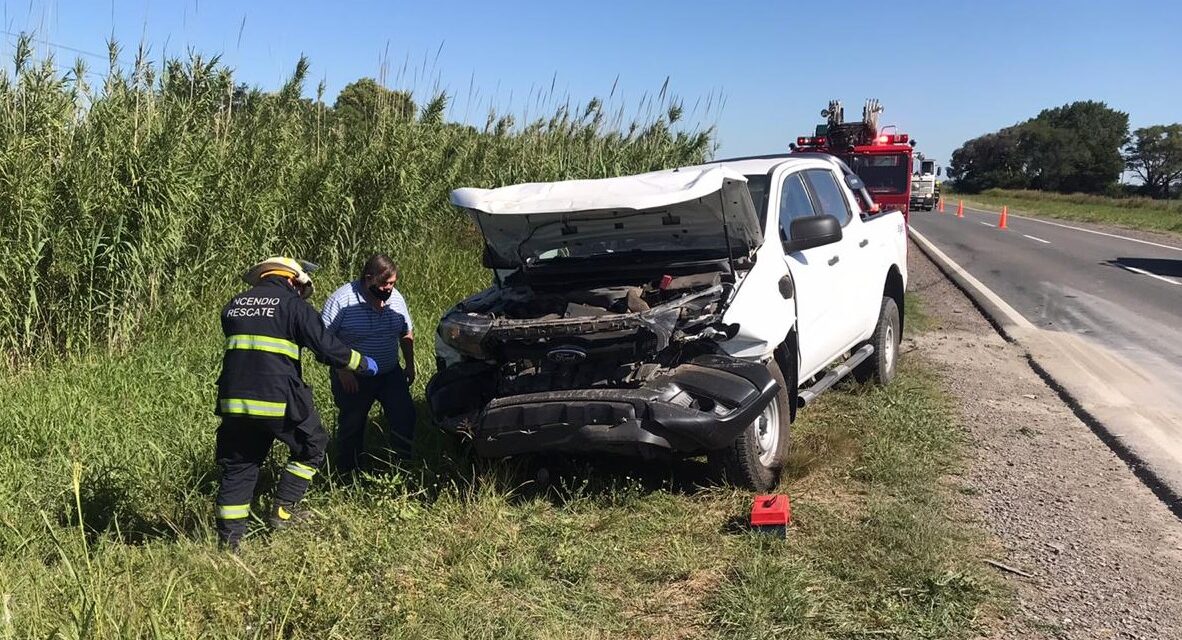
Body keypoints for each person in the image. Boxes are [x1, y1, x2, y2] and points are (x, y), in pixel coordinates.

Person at [214, 257, 378, 550]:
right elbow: (326, 347)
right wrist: (361, 363)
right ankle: (283, 511)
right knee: (313, 445)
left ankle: (229, 544)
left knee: (240, 465)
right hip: (277, 399)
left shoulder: (234, 305)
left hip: (234, 401)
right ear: (293, 281)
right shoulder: (293, 306)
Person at [321, 254, 416, 475]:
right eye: (384, 283)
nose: (388, 288)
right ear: (368, 278)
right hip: (354, 376)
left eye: (392, 283)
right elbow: (324, 340)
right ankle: (348, 474)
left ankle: (404, 467)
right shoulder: (342, 300)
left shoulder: (396, 300)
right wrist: (342, 370)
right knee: (352, 426)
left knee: (405, 416)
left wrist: (410, 365)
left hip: (389, 372)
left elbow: (406, 333)